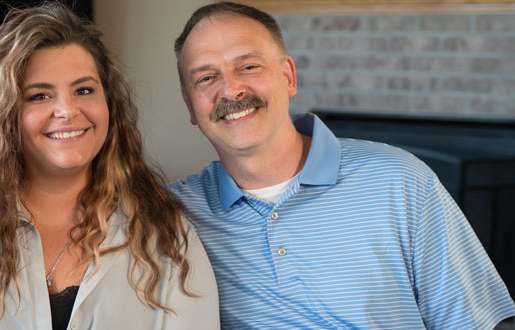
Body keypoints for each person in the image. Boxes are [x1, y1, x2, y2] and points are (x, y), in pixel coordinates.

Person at [0, 3, 219, 329]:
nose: (67, 110)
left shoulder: (165, 229)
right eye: (39, 96)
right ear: (1, 113)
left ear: (109, 102)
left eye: (84, 90)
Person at [168, 2, 515, 329]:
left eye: (248, 66)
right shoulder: (174, 213)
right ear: (189, 105)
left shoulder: (400, 181)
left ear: (288, 76)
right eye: (206, 78)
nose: (231, 89)